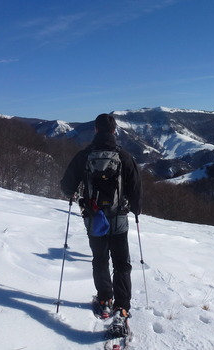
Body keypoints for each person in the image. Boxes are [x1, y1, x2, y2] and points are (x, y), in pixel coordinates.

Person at [60, 113, 142, 321]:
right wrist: (136, 209)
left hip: (94, 218)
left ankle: (105, 300)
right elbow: (135, 188)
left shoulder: (84, 156)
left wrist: (74, 193)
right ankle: (122, 308)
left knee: (100, 259)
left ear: (96, 130)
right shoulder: (124, 156)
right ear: (114, 131)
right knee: (122, 263)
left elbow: (66, 186)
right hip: (119, 219)